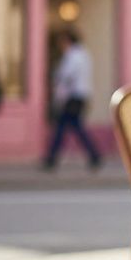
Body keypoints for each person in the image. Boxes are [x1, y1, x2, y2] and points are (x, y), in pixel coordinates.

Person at [43, 29, 101, 171]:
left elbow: (67, 76)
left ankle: (52, 158)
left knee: (65, 127)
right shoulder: (83, 54)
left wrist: (58, 89)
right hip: (79, 96)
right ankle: (93, 155)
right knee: (73, 127)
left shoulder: (73, 56)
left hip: (73, 97)